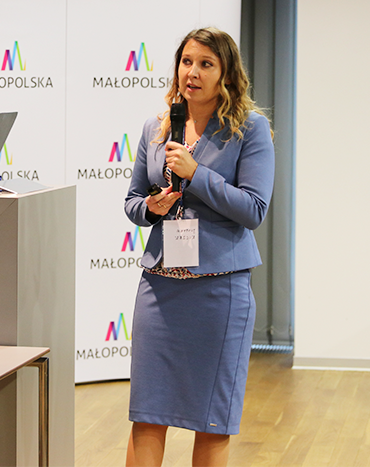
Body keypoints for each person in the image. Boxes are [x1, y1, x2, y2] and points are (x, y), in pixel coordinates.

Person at [124, 27, 275, 467]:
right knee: (147, 413)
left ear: (226, 74)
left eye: (206, 64)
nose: (192, 72)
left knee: (211, 419)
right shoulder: (157, 127)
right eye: (187, 62)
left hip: (219, 291)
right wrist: (151, 207)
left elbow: (254, 209)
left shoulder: (249, 128)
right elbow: (133, 202)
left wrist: (197, 174)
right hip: (159, 288)